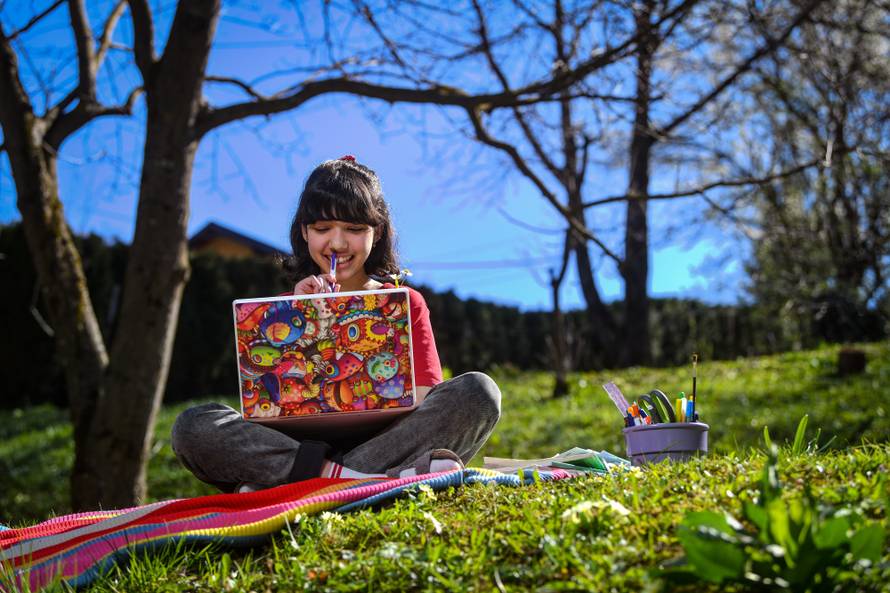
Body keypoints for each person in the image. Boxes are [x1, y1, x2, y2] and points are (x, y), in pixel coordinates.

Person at [171, 156, 502, 492]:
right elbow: (265, 402)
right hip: (296, 441)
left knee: (479, 393)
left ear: (378, 231)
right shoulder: (279, 312)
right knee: (193, 426)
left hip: (387, 439)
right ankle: (361, 480)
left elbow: (424, 396)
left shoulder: (404, 302)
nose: (338, 243)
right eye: (322, 229)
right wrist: (300, 315)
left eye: (355, 229)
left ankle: (302, 481)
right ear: (304, 232)